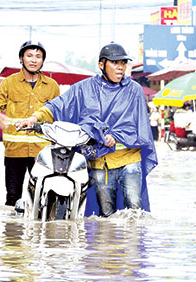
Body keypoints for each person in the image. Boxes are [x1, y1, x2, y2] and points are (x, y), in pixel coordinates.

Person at [15, 42, 158, 217]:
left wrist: (117, 136)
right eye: (115, 63)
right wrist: (34, 118)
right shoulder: (85, 88)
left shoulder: (134, 89)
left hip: (129, 160)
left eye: (123, 63)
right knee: (105, 216)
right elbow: (59, 104)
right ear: (101, 65)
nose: (120, 67)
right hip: (100, 162)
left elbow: (138, 124)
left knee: (135, 212)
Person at [0, 40, 60, 207]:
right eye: (29, 55)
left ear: (43, 60)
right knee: (12, 198)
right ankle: (13, 232)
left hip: (42, 151)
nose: (33, 60)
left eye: (38, 56)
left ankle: (39, 232)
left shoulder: (52, 86)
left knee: (44, 198)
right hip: (15, 150)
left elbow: (59, 113)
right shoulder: (9, 82)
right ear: (21, 58)